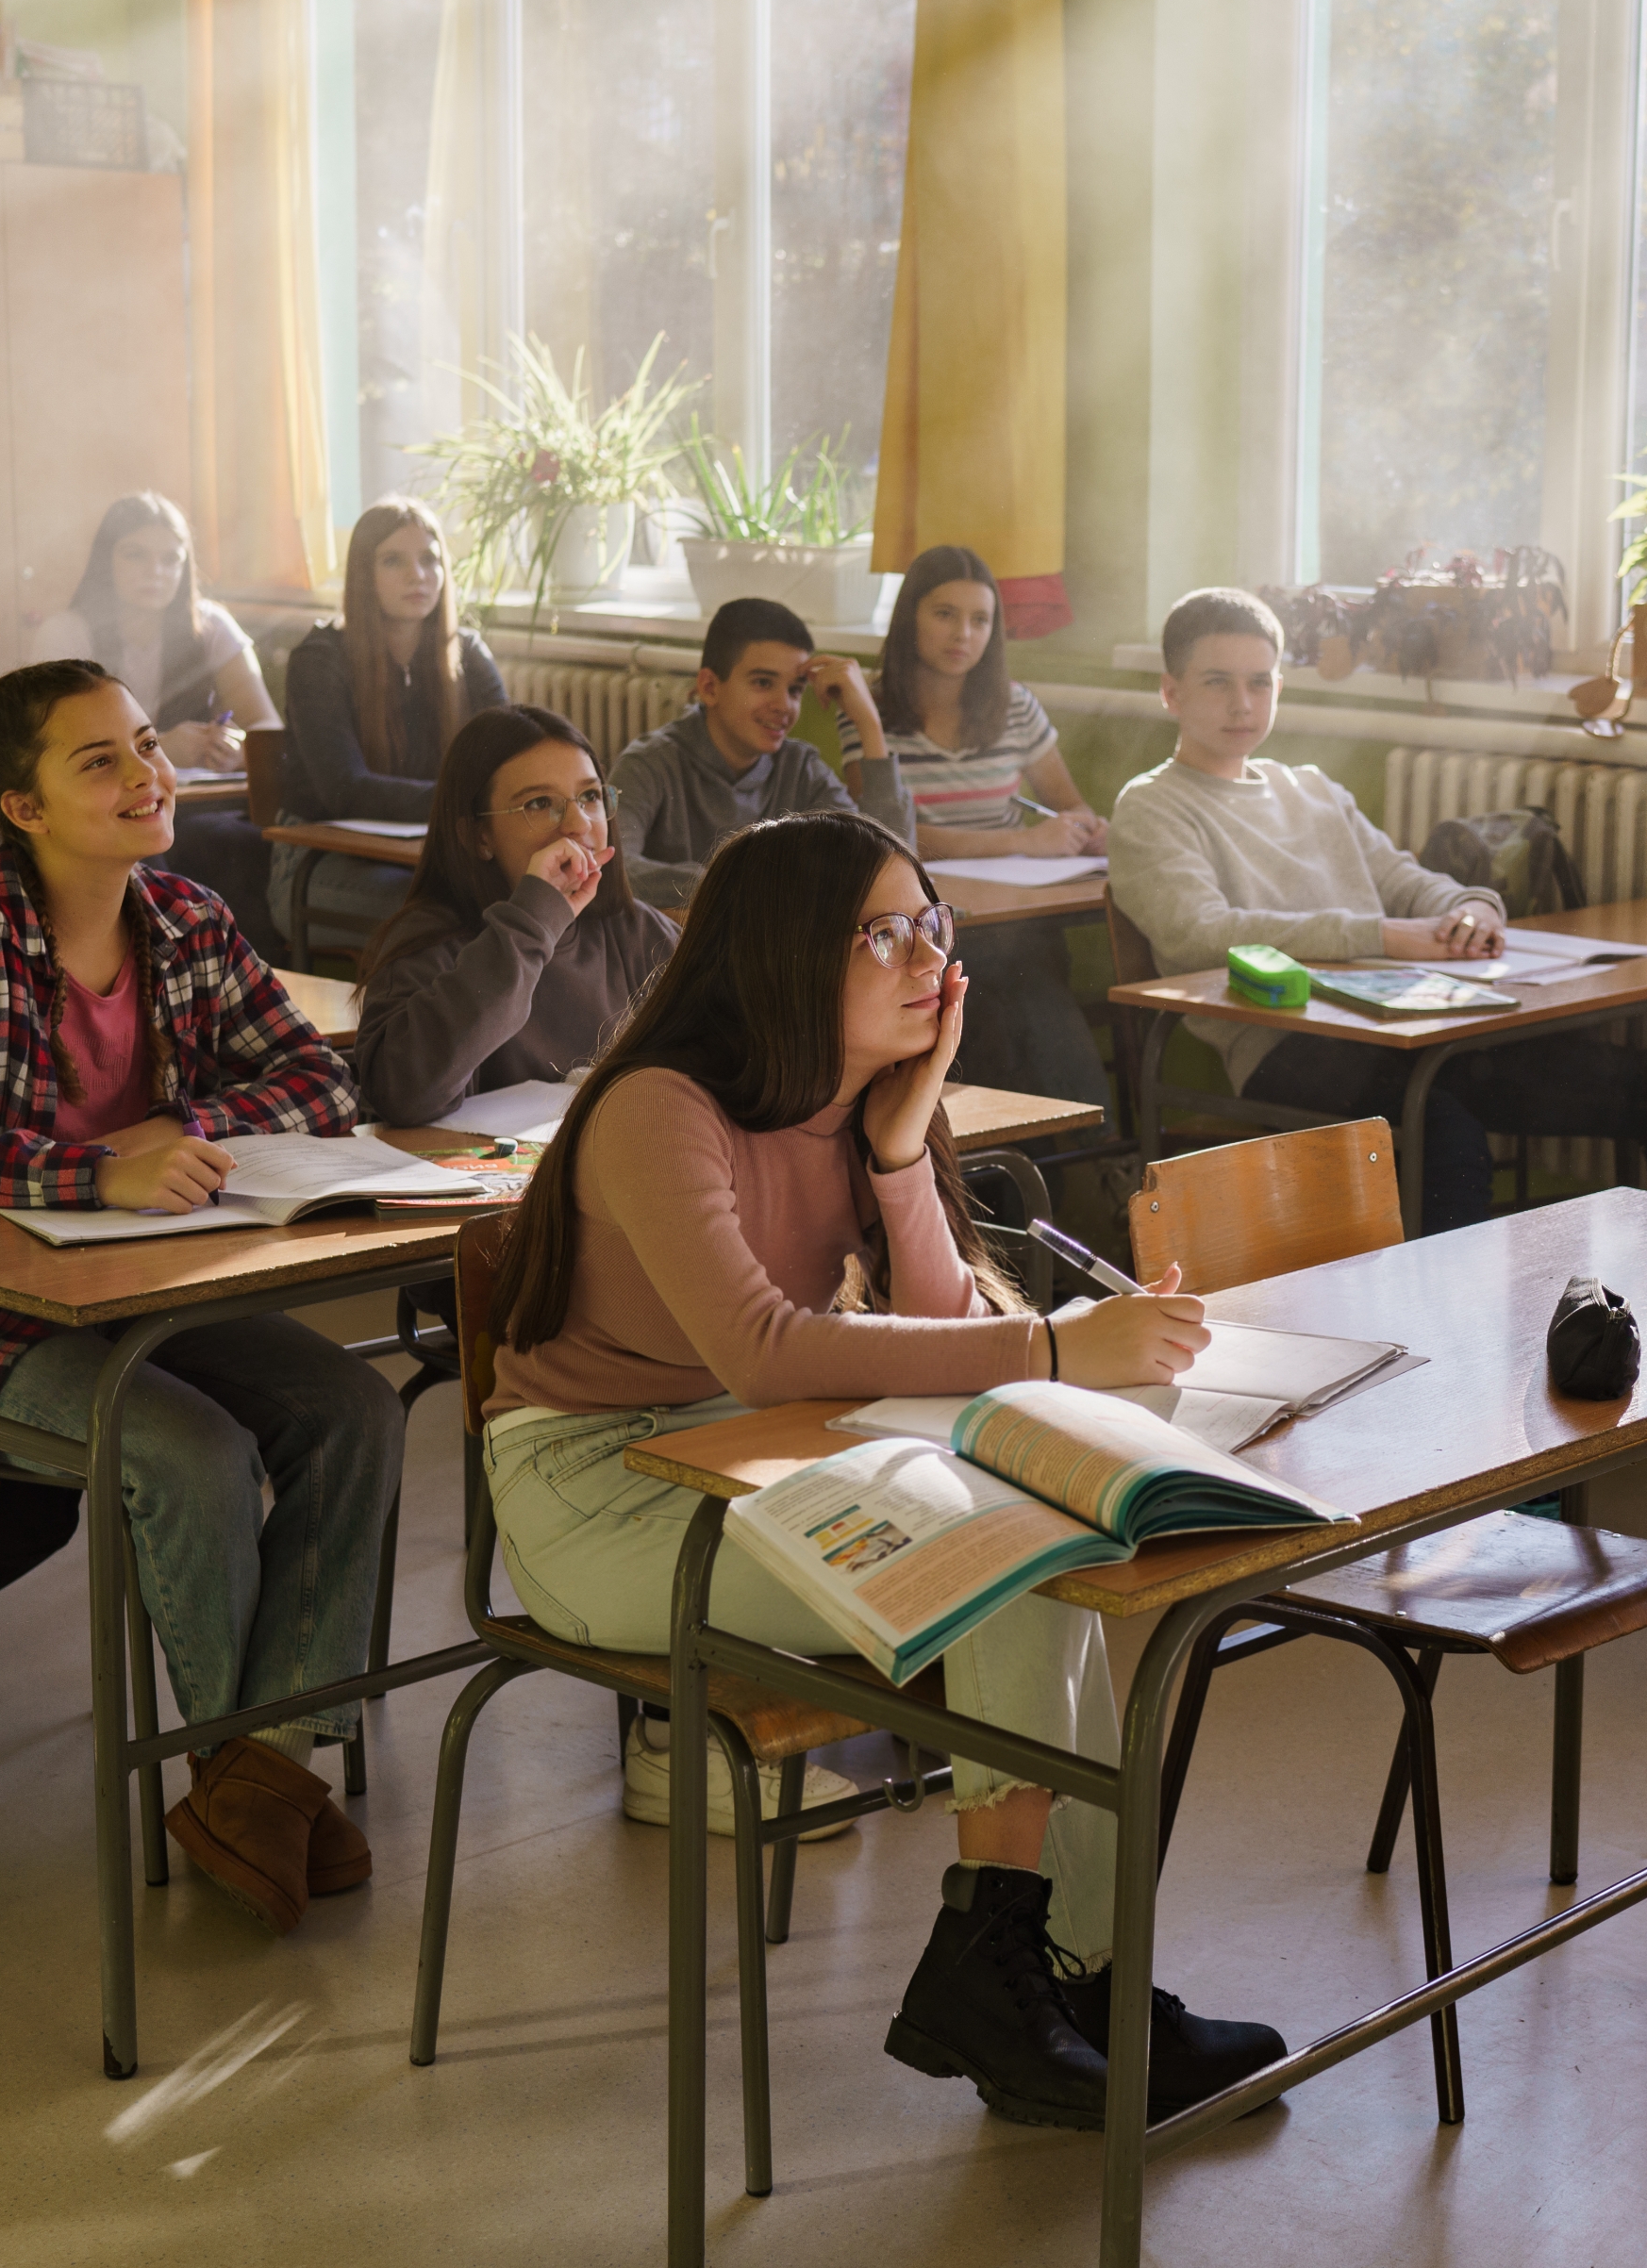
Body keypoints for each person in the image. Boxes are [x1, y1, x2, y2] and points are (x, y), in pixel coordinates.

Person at [479, 809, 1285, 2126]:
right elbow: (760, 1350)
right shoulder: (655, 1107)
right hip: (600, 1491)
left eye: (932, 926)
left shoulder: (852, 1103)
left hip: (760, 1460)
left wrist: (903, 1151)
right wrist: (1054, 1343)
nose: (928, 959)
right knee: (1006, 1568)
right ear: (786, 954)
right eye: (884, 932)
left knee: (1054, 1553)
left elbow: (943, 1345)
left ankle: (1067, 1981)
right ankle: (1014, 1971)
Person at [0, 658, 408, 1935]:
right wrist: (95, 1172)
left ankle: (252, 1777)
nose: (144, 774)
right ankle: (253, 1772)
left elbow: (318, 1088)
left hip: (152, 1291)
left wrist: (186, 1127)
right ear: (22, 807)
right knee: (190, 1450)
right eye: (95, 760)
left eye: (145, 744)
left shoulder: (189, 918)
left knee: (355, 1410)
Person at [1109, 588, 1647, 1232]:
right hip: (1289, 1047)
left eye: (1259, 682)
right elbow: (1198, 934)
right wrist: (1381, 936)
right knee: (1448, 1142)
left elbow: (1402, 879)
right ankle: (1445, 1335)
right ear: (1171, 692)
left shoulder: (1310, 788)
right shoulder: (1152, 805)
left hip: (1411, 1031)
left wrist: (1471, 906)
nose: (1242, 704)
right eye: (1217, 683)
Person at [353, 704, 678, 1131]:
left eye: (590, 796)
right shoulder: (427, 943)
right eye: (540, 803)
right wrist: (534, 920)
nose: (578, 824)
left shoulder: (639, 932)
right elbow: (403, 1097)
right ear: (478, 835)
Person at [860, 545, 1109, 1102]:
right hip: (926, 922)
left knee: (1024, 990)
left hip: (1014, 913)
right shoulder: (872, 714)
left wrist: (1088, 828)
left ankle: (1057, 1150)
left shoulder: (1015, 707)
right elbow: (891, 837)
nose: (962, 635)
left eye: (980, 619)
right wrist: (1023, 841)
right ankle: (1033, 1156)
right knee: (1000, 994)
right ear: (910, 619)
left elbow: (1071, 804)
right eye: (944, 614)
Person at [28, 492, 285, 953]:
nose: (156, 571)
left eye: (171, 559)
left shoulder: (210, 625)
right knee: (148, 854)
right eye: (136, 555)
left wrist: (234, 745)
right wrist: (161, 746)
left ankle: (246, 984)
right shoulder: (66, 632)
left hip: (198, 803)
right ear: (106, 561)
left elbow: (266, 729)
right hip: (107, 806)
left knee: (251, 846)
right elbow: (55, 752)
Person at [274, 498, 508, 954]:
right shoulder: (319, 660)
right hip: (316, 865)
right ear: (364, 574)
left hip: (432, 858)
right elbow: (345, 788)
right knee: (461, 913)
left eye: (430, 559)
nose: (417, 575)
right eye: (393, 561)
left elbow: (511, 760)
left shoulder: (469, 655)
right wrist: (465, 805)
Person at [607, 596, 914, 911]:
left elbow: (892, 869)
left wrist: (869, 724)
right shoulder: (649, 764)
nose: (784, 706)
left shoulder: (801, 769)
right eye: (763, 682)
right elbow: (612, 865)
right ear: (710, 687)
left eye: (795, 690)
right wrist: (748, 882)